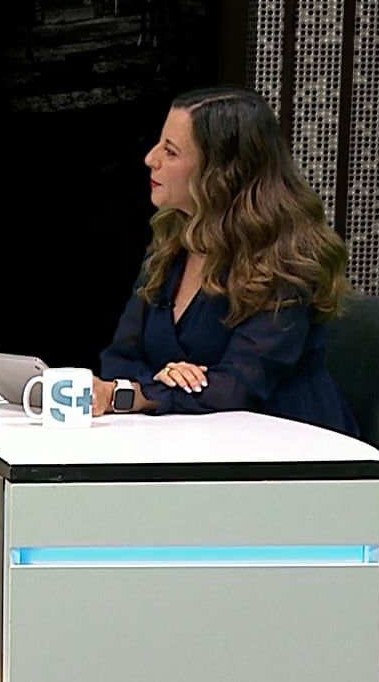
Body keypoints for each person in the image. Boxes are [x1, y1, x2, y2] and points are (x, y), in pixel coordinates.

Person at [91, 86, 361, 439]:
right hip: (191, 441)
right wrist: (160, 381)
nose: (150, 158)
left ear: (220, 172)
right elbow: (119, 358)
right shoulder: (171, 244)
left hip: (289, 448)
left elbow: (238, 387)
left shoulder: (287, 262)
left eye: (170, 151)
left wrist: (137, 394)